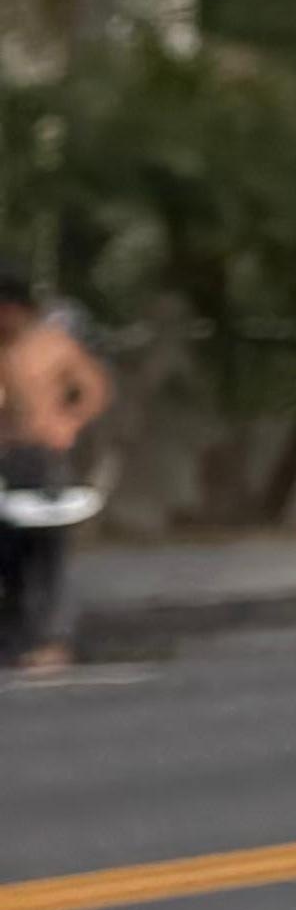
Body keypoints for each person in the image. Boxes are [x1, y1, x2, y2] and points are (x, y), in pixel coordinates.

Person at [0, 269, 112, 677]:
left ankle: (52, 640)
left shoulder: (52, 346)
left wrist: (68, 422)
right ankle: (15, 637)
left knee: (47, 552)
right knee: (9, 552)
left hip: (44, 455)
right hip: (6, 456)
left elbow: (93, 389)